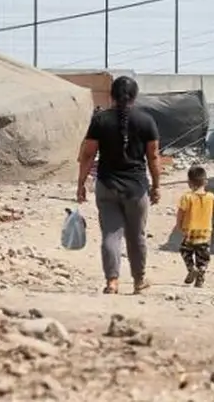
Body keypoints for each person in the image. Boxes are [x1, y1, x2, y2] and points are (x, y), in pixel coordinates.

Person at [76, 76, 161, 295]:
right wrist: (156, 185)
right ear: (134, 96)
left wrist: (81, 183)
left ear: (111, 95)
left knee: (111, 234)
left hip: (107, 186)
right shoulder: (146, 121)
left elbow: (88, 154)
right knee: (136, 236)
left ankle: (112, 281)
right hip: (136, 188)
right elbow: (153, 157)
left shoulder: (100, 120)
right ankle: (139, 281)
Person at [175, 165, 214, 288]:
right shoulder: (211, 196)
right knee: (203, 257)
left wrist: (179, 225)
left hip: (190, 231)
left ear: (189, 183)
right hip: (205, 232)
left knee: (185, 251)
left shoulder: (187, 197)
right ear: (205, 182)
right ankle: (201, 276)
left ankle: (191, 268)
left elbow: (181, 212)